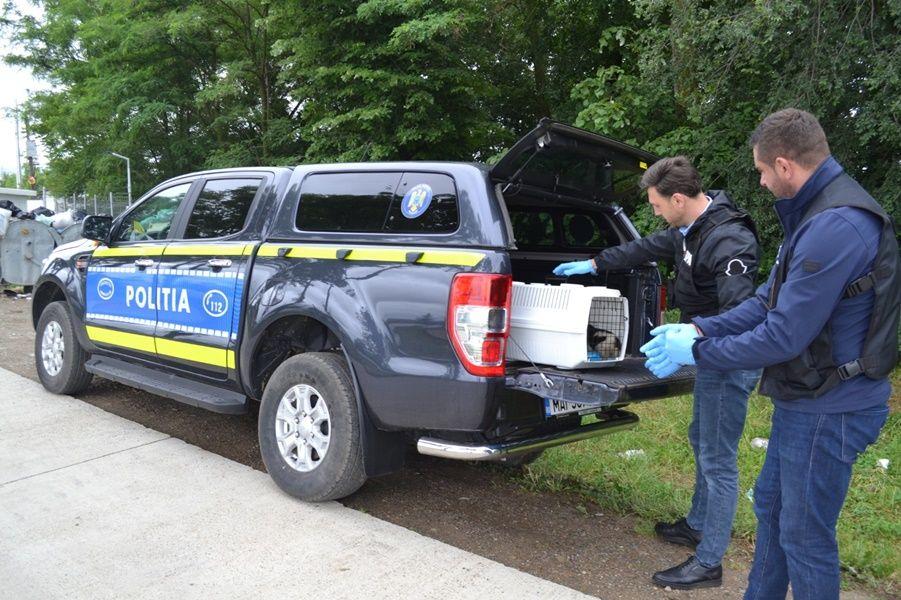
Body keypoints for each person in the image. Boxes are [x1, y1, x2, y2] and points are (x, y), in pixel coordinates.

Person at [642, 109, 898, 600]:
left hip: (832, 406)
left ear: (784, 165)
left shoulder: (835, 225)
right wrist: (700, 326)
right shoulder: (815, 214)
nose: (759, 182)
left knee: (804, 535)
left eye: (761, 170)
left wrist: (699, 350)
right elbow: (766, 301)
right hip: (804, 396)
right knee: (772, 509)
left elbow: (783, 336)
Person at [553, 156, 761, 590]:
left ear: (679, 199)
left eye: (658, 205)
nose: (656, 212)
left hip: (728, 356)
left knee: (718, 460)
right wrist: (595, 264)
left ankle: (708, 563)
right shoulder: (692, 229)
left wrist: (696, 336)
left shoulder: (730, 241)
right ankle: (697, 524)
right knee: (701, 439)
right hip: (707, 351)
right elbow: (644, 248)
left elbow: (742, 315)